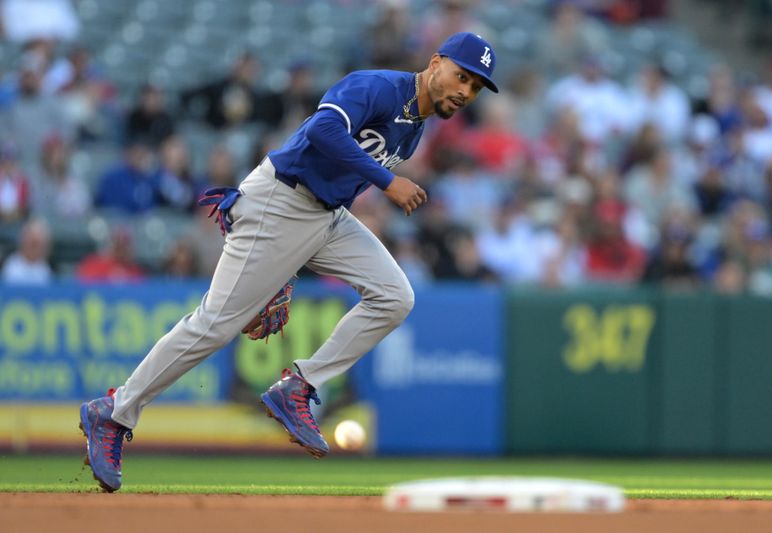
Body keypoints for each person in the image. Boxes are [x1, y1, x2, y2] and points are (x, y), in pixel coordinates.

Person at [79, 32, 499, 492]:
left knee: (395, 296)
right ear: (436, 62)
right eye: (462, 76)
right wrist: (387, 181)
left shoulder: (417, 122)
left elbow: (338, 176)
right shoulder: (379, 87)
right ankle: (114, 413)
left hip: (325, 216)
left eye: (476, 87)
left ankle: (298, 387)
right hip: (281, 201)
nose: (465, 91)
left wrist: (288, 266)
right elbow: (321, 129)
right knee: (214, 323)